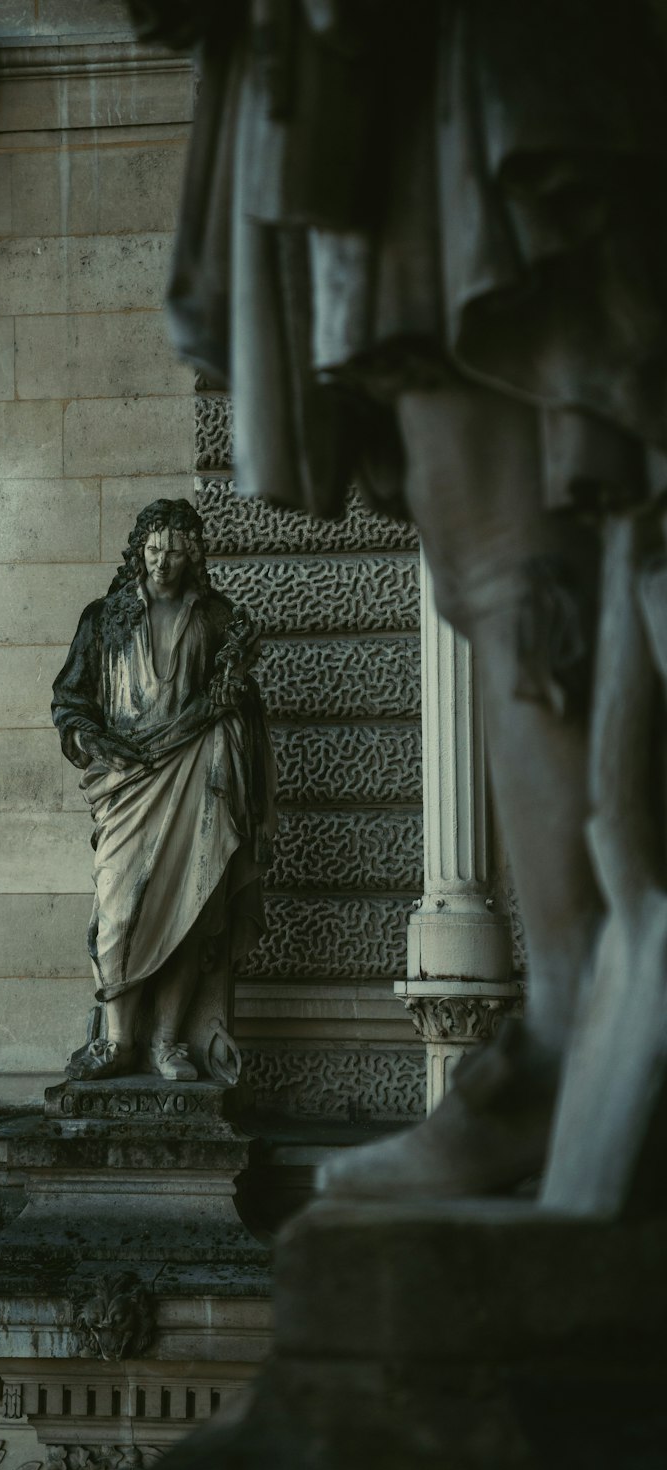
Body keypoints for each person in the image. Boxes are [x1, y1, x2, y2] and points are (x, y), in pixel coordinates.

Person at [127, 0, 667, 1203]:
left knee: (525, 519)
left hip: (464, 64)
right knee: (497, 537)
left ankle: (575, 1032)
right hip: (407, 79)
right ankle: (570, 1026)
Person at [52, 498, 276, 1084]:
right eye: (154, 550)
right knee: (118, 912)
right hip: (126, 783)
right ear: (139, 552)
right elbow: (70, 702)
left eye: (176, 552)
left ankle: (168, 1043)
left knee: (193, 910)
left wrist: (230, 711)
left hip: (198, 780)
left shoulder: (216, 618)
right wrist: (95, 743)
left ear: (193, 555)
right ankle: (118, 1042)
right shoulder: (104, 618)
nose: (164, 562)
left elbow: (241, 705)